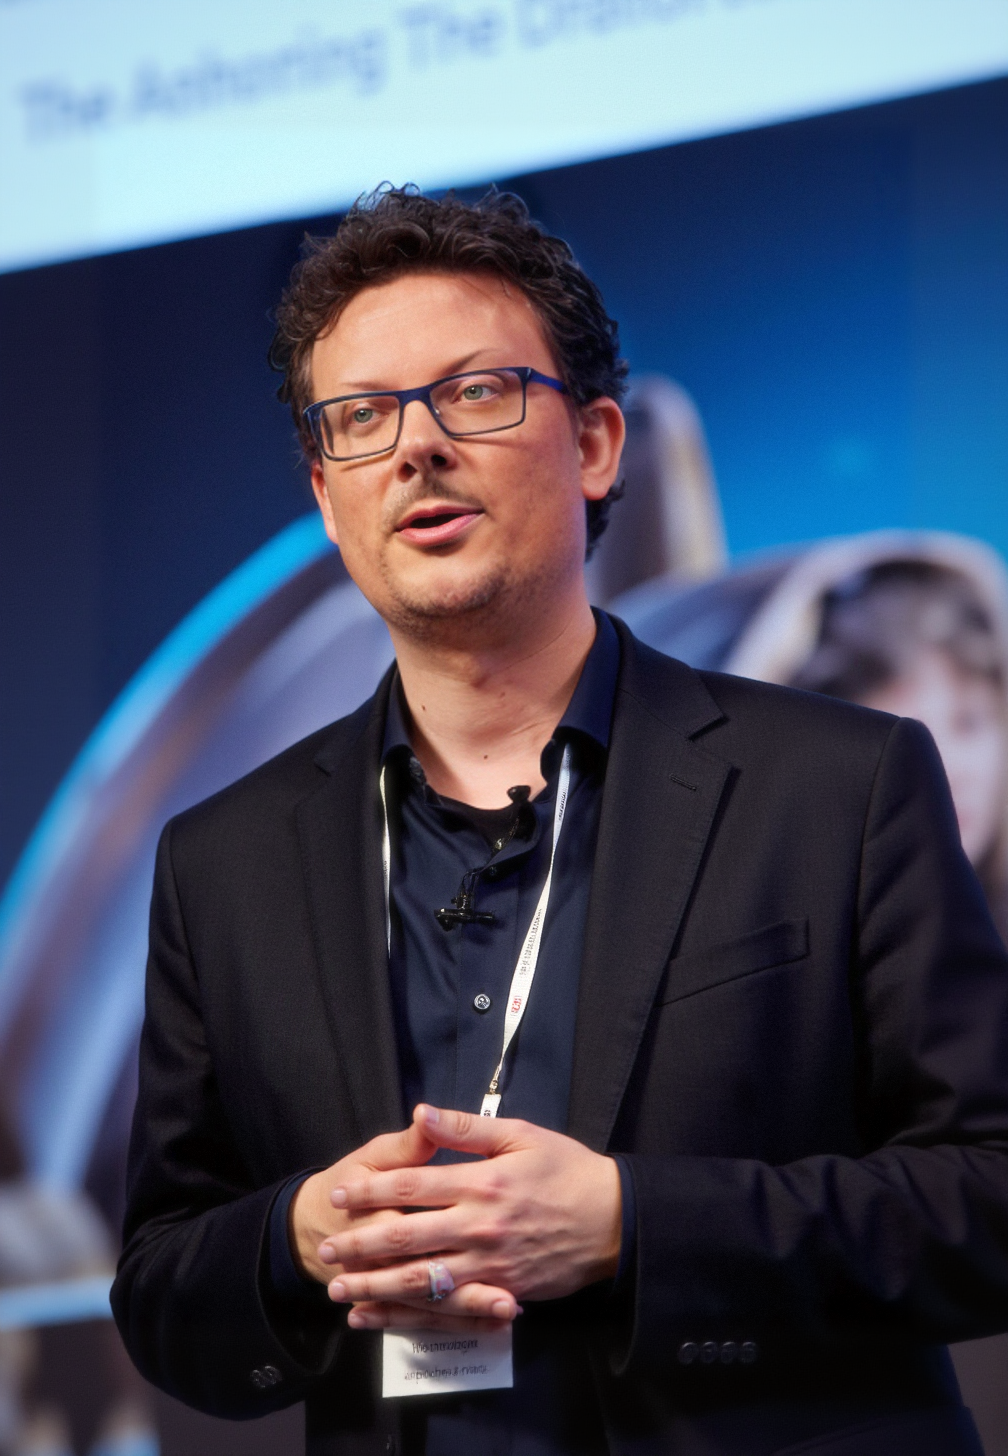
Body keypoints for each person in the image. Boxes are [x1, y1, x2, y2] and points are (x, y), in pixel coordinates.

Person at [110, 189, 1008, 1456]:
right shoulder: (226, 863)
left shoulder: (839, 784)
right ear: (326, 493)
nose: (416, 448)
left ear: (594, 445)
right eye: (361, 418)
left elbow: (988, 1193)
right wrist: (294, 1237)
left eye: (473, 393)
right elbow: (161, 1288)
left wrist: (634, 1226)